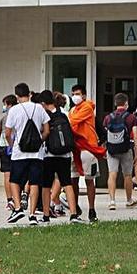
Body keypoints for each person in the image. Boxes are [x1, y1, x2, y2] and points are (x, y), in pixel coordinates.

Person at [3, 83, 50, 225]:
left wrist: (12, 146)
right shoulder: (39, 108)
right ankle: (32, 214)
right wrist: (39, 141)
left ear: (17, 96)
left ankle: (17, 208)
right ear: (29, 94)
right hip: (37, 154)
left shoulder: (14, 110)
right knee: (35, 182)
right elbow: (47, 130)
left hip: (19, 152)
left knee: (14, 180)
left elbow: (8, 133)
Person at [68, 84, 105, 223]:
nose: (75, 96)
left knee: (90, 180)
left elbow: (73, 121)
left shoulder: (87, 107)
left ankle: (91, 209)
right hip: (75, 149)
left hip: (88, 148)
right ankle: (75, 207)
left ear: (83, 95)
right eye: (73, 94)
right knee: (73, 180)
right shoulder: (72, 110)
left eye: (77, 93)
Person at [40, 91, 79, 223]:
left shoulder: (43, 115)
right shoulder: (64, 113)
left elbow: (43, 132)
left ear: (43, 103)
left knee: (46, 185)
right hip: (65, 154)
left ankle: (46, 215)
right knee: (67, 183)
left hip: (49, 154)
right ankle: (73, 214)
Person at [103, 93, 137, 210]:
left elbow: (105, 135)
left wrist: (105, 149)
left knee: (112, 174)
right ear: (126, 103)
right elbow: (136, 136)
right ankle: (129, 200)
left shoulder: (108, 117)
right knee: (127, 175)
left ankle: (112, 201)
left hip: (112, 150)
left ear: (115, 103)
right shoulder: (131, 117)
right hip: (126, 149)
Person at [0, 95, 17, 212]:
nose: (4, 107)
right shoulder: (20, 114)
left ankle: (10, 200)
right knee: (18, 173)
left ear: (9, 104)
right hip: (16, 146)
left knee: (7, 174)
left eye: (5, 104)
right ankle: (19, 198)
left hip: (4, 146)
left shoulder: (4, 117)